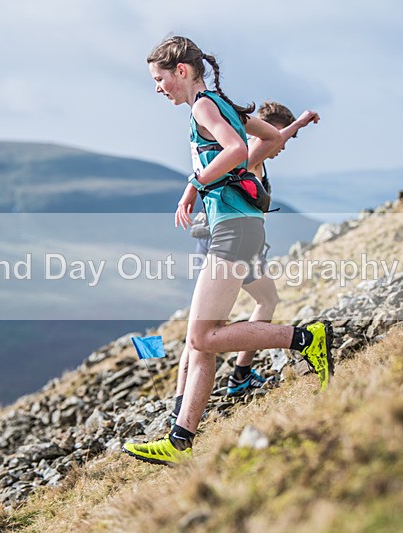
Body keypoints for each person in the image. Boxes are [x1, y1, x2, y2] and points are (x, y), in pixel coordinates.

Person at [123, 36, 333, 466]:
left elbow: (237, 150)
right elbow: (271, 135)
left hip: (232, 229)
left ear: (181, 71)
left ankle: (305, 338)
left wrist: (199, 185)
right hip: (241, 226)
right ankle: (179, 442)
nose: (158, 88)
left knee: (199, 337)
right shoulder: (224, 104)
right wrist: (191, 188)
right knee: (201, 341)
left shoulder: (204, 106)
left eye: (159, 79)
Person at [173, 102, 320, 416]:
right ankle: (182, 404)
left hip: (243, 244)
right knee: (201, 332)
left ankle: (239, 375)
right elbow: (272, 141)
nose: (283, 145)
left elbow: (274, 141)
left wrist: (298, 127)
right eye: (281, 136)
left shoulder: (259, 158)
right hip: (225, 241)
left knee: (266, 299)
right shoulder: (250, 156)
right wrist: (298, 125)